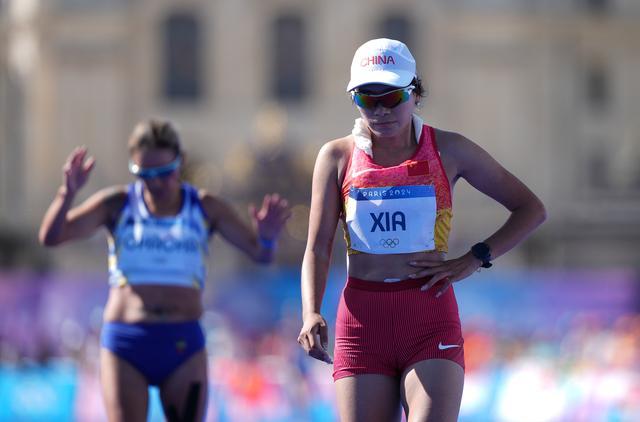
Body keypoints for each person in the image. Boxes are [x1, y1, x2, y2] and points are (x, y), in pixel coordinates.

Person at [297, 38, 546, 422]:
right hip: (362, 323)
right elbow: (317, 247)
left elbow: (531, 209)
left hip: (428, 315)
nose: (380, 111)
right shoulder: (336, 157)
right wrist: (311, 312)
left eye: (392, 97)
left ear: (415, 93)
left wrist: (475, 259)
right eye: (367, 99)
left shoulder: (451, 150)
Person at [39, 119, 291, 422]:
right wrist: (67, 193)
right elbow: (52, 237)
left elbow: (261, 255)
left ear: (179, 163)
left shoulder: (205, 207)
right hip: (127, 343)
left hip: (182, 343)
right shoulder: (117, 204)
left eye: (163, 173)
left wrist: (267, 236)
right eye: (144, 175)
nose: (155, 183)